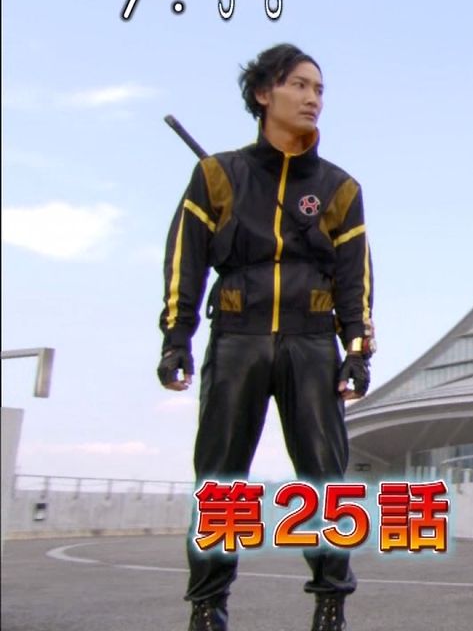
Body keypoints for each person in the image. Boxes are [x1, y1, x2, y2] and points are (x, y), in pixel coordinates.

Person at [158, 43, 374, 631]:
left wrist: (357, 349)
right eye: (299, 85)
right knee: (221, 480)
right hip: (237, 337)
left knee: (326, 480)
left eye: (319, 89)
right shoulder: (217, 175)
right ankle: (208, 607)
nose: (312, 98)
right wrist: (177, 336)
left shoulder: (340, 187)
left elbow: (355, 278)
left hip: (313, 343)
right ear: (263, 93)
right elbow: (185, 260)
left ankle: (330, 605)